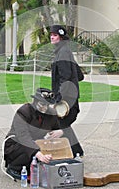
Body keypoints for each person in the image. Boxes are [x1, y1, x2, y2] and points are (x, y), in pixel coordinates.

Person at [4, 88, 63, 180]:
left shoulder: (52, 113)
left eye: (47, 105)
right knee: (26, 149)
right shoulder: (24, 111)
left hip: (38, 143)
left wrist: (60, 131)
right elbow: (23, 136)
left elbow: (57, 128)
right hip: (16, 144)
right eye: (42, 104)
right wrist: (37, 153)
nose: (45, 108)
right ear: (35, 101)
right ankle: (14, 168)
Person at [50, 25, 84, 157]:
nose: (52, 37)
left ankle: (75, 151)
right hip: (70, 96)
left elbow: (65, 77)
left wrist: (60, 97)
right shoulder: (65, 51)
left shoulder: (63, 52)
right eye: (51, 35)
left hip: (67, 98)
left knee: (62, 124)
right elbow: (79, 75)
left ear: (61, 37)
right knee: (62, 124)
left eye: (55, 35)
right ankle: (76, 151)